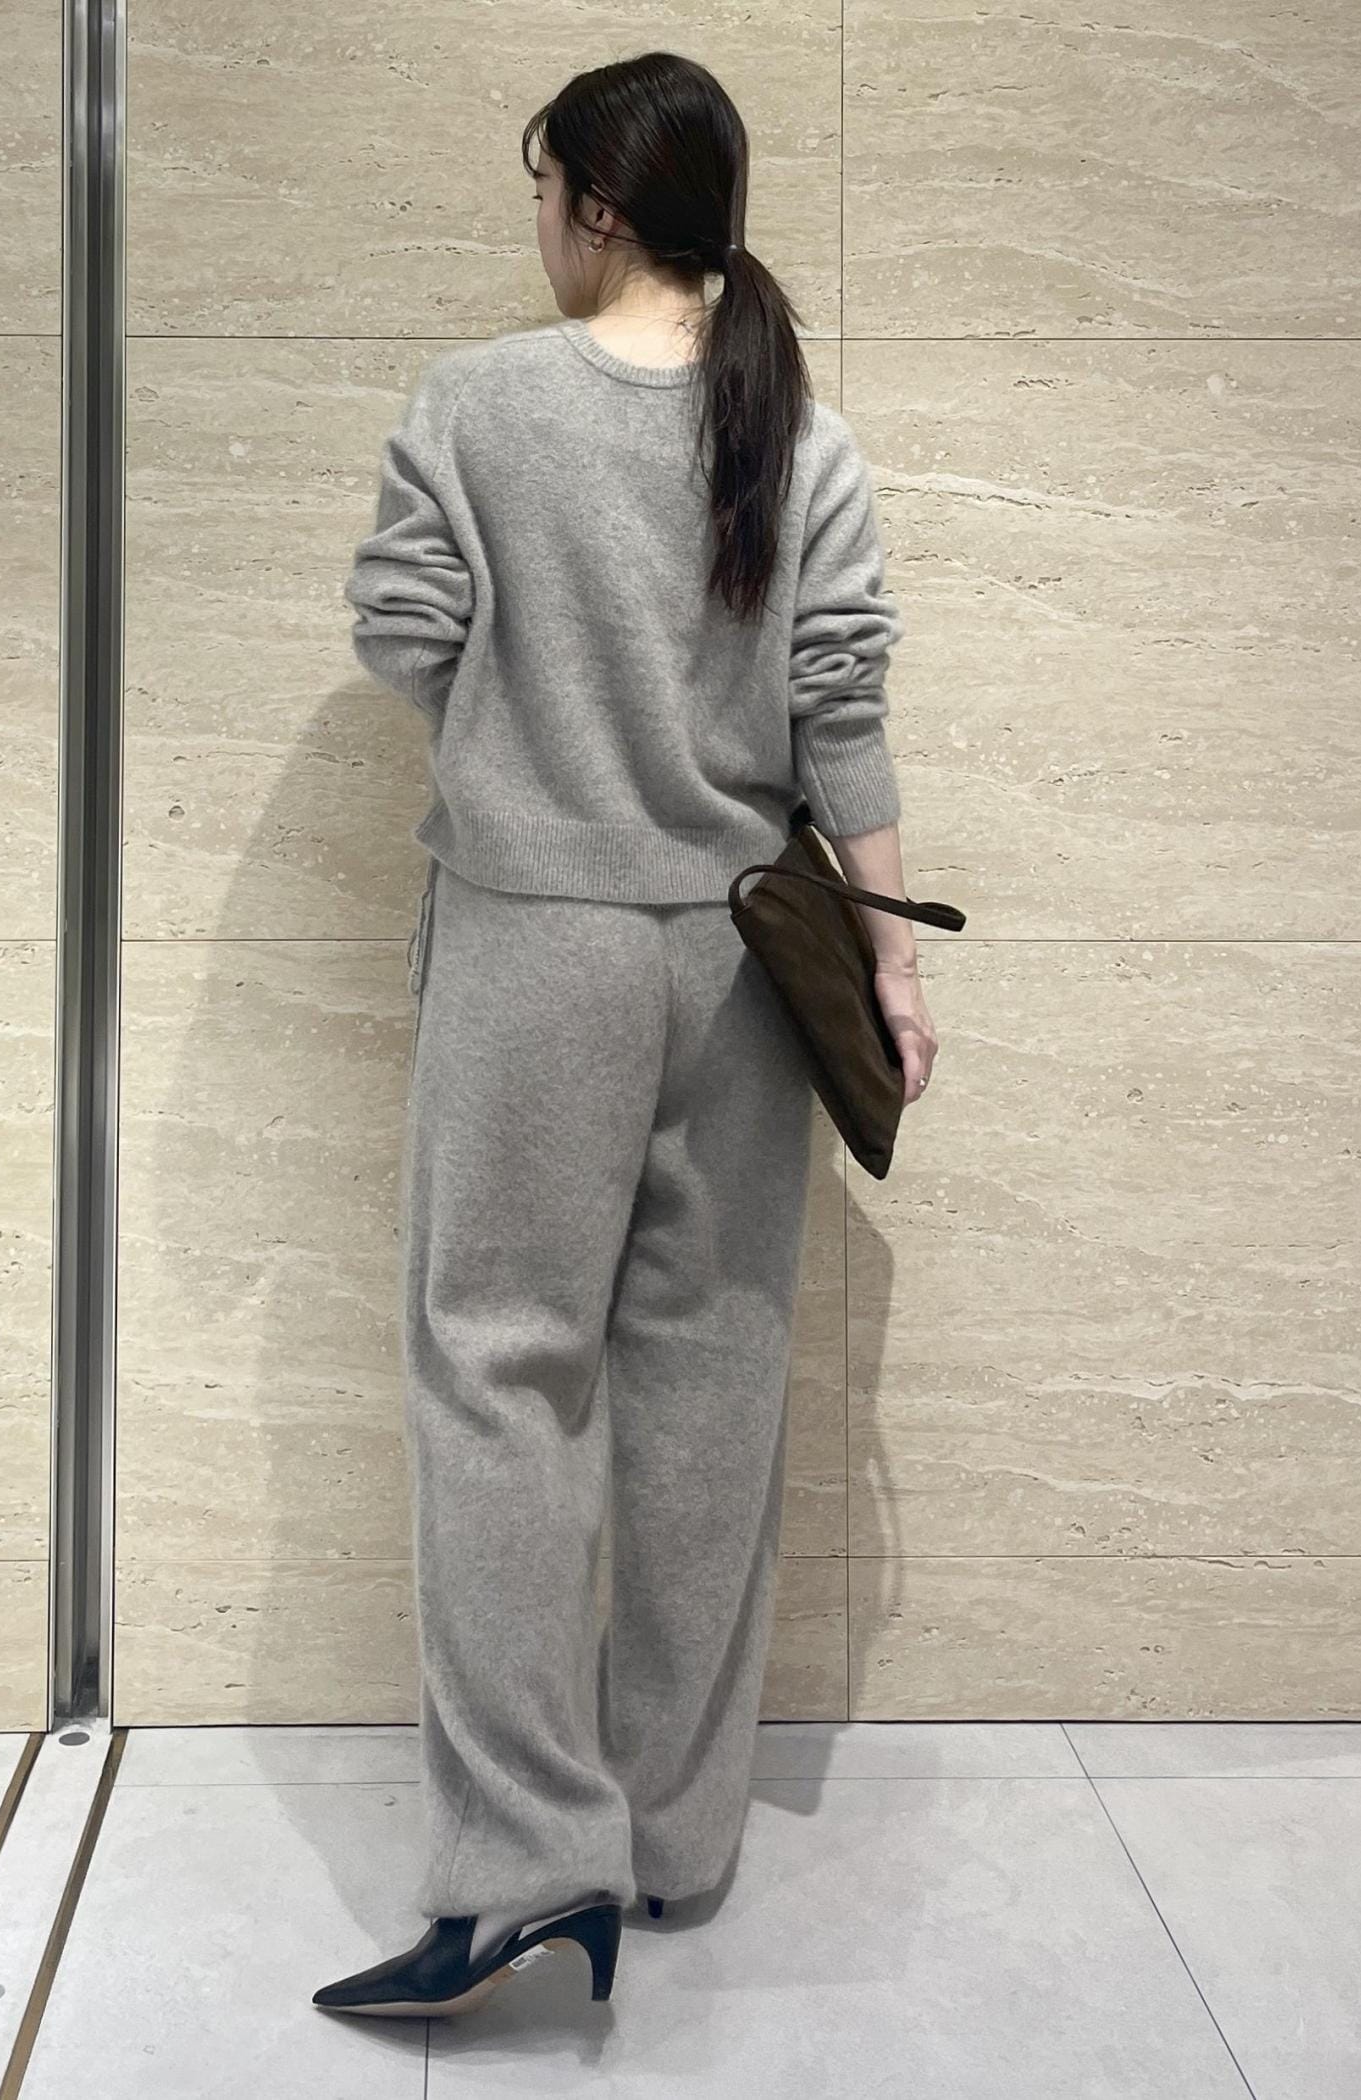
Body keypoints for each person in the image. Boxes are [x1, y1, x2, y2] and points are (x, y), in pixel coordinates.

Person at [312, 50, 940, 2022]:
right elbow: (842, 707)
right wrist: (897, 967)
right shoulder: (798, 432)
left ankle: (525, 1864)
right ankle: (673, 1842)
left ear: (595, 203)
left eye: (542, 190)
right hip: (748, 960)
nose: (537, 224)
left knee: (500, 1375)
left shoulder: (476, 406)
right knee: (711, 1384)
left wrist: (533, 735)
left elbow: (401, 631)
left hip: (539, 948)